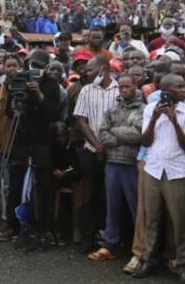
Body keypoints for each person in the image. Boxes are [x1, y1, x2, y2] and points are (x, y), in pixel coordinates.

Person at [133, 74, 185, 282]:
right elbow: (145, 140)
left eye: (184, 86)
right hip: (153, 169)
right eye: (178, 86)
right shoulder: (150, 109)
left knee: (179, 221)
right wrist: (154, 119)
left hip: (177, 172)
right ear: (165, 91)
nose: (183, 89)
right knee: (151, 218)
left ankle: (182, 264)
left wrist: (174, 121)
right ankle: (149, 260)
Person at [5, 50, 64, 251]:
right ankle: (15, 225)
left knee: (44, 185)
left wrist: (39, 94)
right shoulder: (18, 77)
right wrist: (14, 104)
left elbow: (54, 113)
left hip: (42, 140)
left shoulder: (51, 83)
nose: (35, 68)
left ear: (46, 66)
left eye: (39, 65)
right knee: (16, 182)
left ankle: (45, 227)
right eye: (32, 64)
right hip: (20, 139)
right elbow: (8, 111)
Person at [90, 74, 144, 262]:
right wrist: (119, 135)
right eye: (121, 87)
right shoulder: (112, 108)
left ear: (136, 86)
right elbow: (102, 133)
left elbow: (139, 134)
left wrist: (114, 132)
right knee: (112, 206)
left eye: (128, 86)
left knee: (136, 207)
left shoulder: (143, 109)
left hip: (131, 163)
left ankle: (140, 249)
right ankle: (110, 244)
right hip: (112, 162)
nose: (124, 90)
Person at [73, 56, 119, 254]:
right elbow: (81, 121)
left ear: (102, 69)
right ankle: (88, 236)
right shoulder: (86, 89)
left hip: (116, 151)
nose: (86, 73)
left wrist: (107, 146)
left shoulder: (120, 89)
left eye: (90, 70)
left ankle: (112, 239)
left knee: (112, 196)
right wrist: (98, 146)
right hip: (91, 151)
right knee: (90, 195)